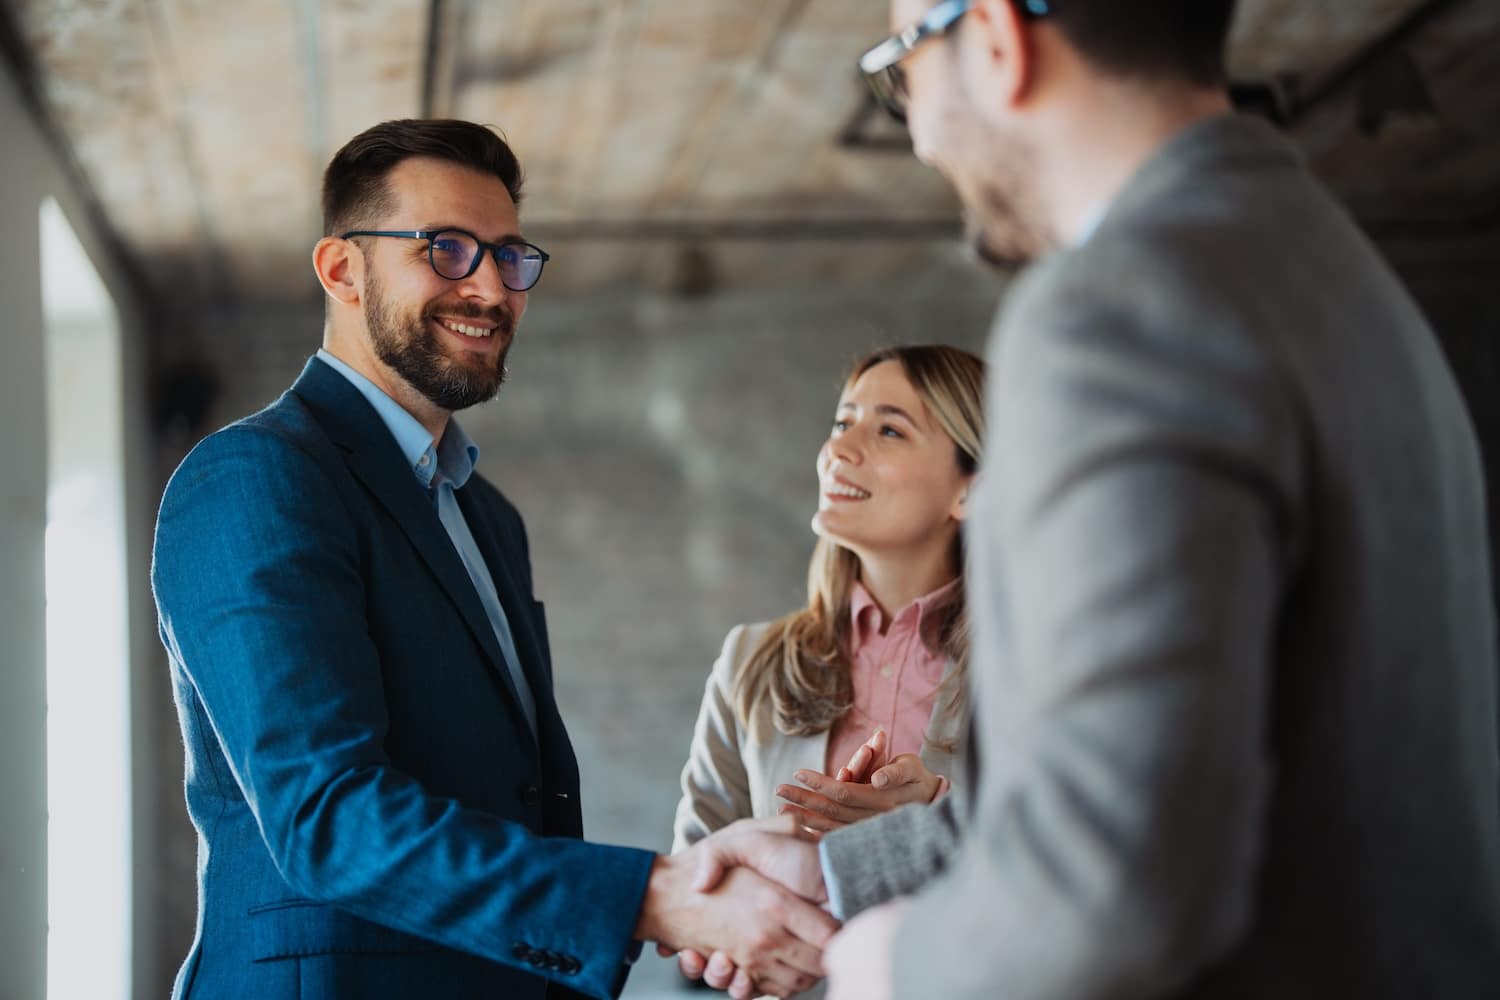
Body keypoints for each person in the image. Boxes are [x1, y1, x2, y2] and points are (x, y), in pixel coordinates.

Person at [701, 1, 1500, 998]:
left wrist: (886, 964)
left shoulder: (1118, 309)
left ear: (997, 37)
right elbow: (1187, 777)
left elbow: (1110, 884)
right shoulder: (1336, 273)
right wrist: (833, 868)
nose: (916, 126)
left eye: (901, 61)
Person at [151, 118, 834, 1000]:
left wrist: (696, 892)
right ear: (341, 269)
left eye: (510, 257)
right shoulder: (256, 476)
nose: (490, 287)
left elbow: (513, 795)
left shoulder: (485, 515)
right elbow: (328, 818)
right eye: (446, 249)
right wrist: (658, 901)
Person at [669, 345, 983, 994]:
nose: (839, 450)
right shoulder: (748, 662)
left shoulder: (1034, 671)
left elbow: (1079, 871)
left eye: (889, 429)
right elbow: (692, 885)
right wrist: (721, 937)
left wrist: (934, 814)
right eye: (843, 422)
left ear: (969, 490)